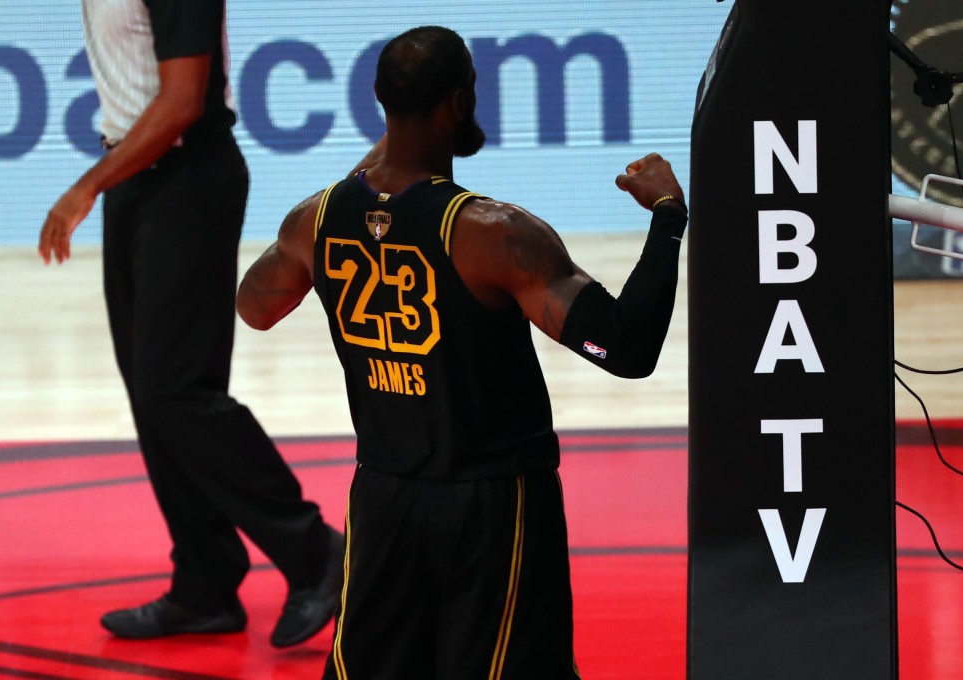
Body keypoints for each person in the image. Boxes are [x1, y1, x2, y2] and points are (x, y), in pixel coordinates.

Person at [236, 25, 687, 679]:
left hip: (384, 499)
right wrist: (668, 214)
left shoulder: (316, 219)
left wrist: (355, 196)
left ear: (379, 103)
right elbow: (624, 348)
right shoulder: (496, 235)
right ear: (459, 102)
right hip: (491, 506)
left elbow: (255, 308)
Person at [37, 0, 343, 648]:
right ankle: (205, 583)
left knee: (175, 389)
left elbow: (181, 102)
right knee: (152, 396)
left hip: (185, 181)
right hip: (135, 180)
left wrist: (84, 188)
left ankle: (317, 552)